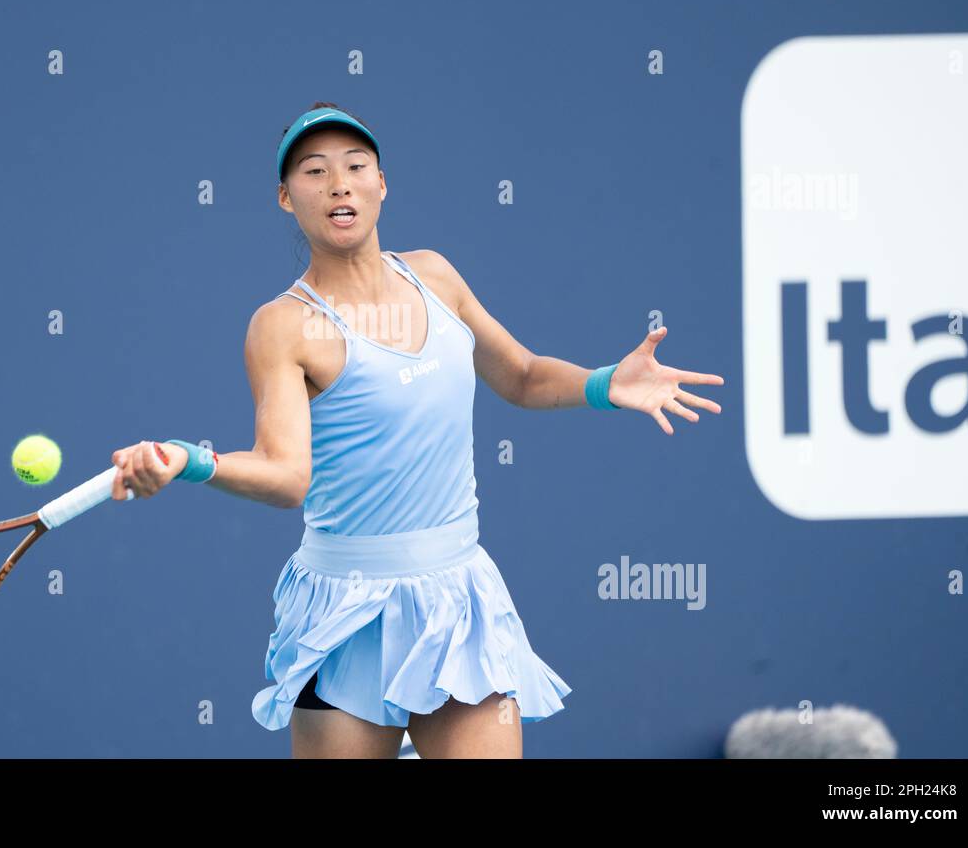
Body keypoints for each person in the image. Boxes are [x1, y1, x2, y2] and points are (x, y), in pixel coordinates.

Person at [109, 102, 725, 758]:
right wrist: (190, 459)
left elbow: (519, 374)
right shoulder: (281, 326)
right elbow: (287, 477)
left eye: (355, 166)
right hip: (345, 616)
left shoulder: (433, 274)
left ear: (382, 185)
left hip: (456, 600)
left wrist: (606, 384)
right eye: (314, 172)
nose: (339, 183)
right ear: (287, 199)